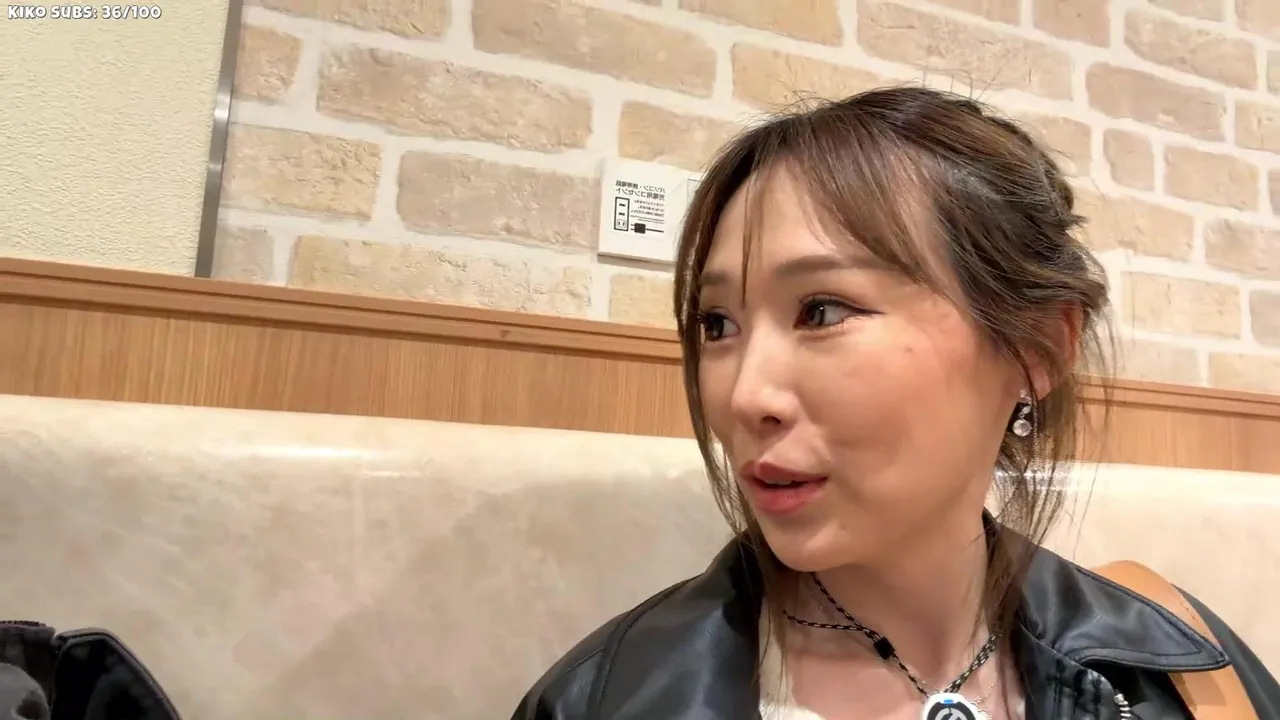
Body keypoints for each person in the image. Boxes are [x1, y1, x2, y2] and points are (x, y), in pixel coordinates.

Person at [510, 87, 1280, 720]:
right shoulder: (597, 703)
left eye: (821, 311)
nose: (743, 396)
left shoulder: (1177, 678)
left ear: (1038, 348)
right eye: (717, 325)